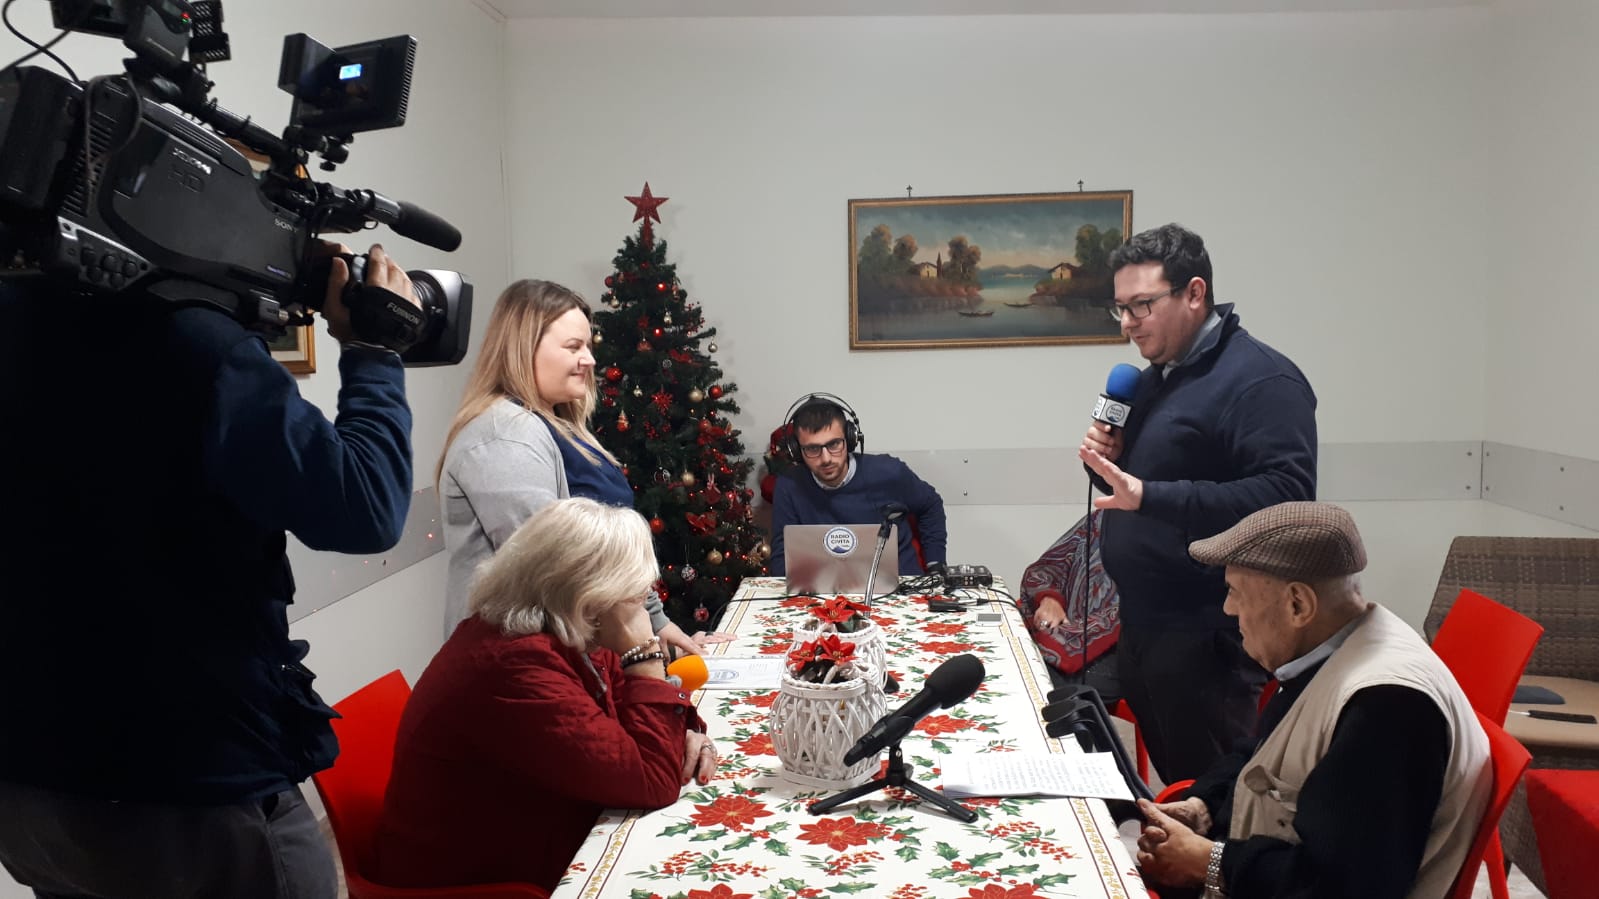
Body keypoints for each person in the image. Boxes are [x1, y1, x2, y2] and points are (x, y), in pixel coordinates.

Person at [0, 245, 419, 899]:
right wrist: (375, 351)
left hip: (32, 789)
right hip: (192, 791)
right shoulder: (194, 343)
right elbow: (365, 506)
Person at [1135, 502, 1491, 899]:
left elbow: (1346, 887)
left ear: (1298, 605)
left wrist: (1208, 861)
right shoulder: (1335, 645)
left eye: (1235, 592)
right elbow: (1263, 752)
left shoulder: (1386, 707)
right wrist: (1204, 806)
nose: (1228, 608)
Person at [372, 498, 715, 891]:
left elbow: (626, 716)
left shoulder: (563, 631)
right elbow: (653, 781)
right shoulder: (515, 665)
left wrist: (685, 736)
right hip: (471, 883)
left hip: (532, 837)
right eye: (636, 594)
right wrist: (645, 655)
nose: (643, 606)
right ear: (590, 597)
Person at [1078, 223, 1317, 784]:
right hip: (1143, 622)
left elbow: (1287, 497)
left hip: (1210, 632)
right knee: (1178, 784)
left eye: (1142, 305)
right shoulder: (1155, 380)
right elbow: (1138, 485)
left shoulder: (1261, 380)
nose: (1128, 323)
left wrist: (1150, 494)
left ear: (1194, 293)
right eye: (1120, 309)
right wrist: (1107, 460)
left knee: (1213, 792)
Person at [436, 279, 712, 655]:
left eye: (588, 346)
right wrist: (642, 649)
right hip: (515, 662)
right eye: (573, 347)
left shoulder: (554, 426)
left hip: (567, 650)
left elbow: (605, 553)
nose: (590, 360)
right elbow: (556, 568)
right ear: (523, 349)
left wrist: (656, 623)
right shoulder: (505, 436)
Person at [769, 394, 947, 577]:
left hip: (900, 583)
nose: (826, 458)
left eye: (834, 444)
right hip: (825, 587)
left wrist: (935, 563)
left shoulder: (888, 472)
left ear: (850, 438)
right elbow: (783, 552)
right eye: (813, 449)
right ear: (796, 451)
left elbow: (930, 505)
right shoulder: (789, 486)